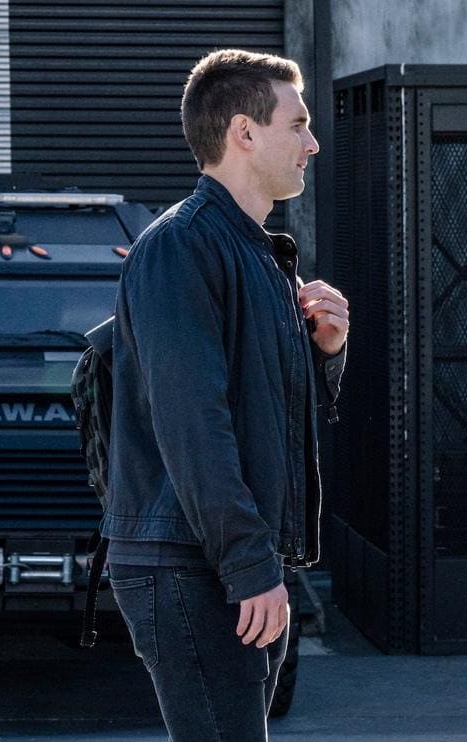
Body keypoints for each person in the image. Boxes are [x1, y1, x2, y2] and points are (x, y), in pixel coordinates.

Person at [102, 49, 347, 741]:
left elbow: (266, 412)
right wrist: (249, 566)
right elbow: (193, 424)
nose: (312, 143)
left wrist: (326, 353)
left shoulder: (260, 255)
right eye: (297, 124)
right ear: (244, 132)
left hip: (231, 560)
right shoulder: (180, 247)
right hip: (190, 565)